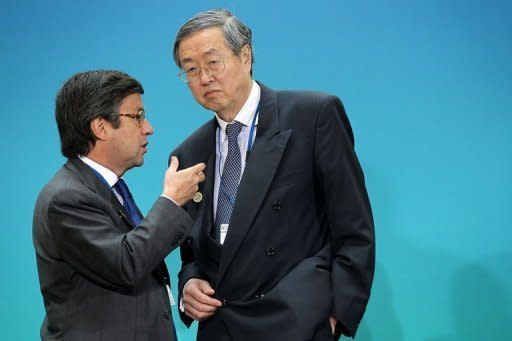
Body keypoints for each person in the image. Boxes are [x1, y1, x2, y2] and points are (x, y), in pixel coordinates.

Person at [170, 9, 375, 340]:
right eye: (190, 70)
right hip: (221, 326)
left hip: (296, 322)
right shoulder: (187, 154)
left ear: (246, 55)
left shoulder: (313, 117)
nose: (204, 78)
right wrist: (189, 282)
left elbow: (354, 227)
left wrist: (334, 316)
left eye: (213, 62)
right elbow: (194, 249)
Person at [33, 70, 206, 340]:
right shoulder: (66, 198)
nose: (148, 127)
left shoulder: (107, 188)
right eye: (137, 116)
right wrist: (172, 199)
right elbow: (127, 263)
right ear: (100, 127)